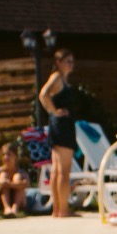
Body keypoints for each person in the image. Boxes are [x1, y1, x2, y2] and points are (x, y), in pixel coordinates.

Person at [39, 47, 80, 218]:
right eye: (67, 61)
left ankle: (57, 210)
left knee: (57, 170)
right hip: (62, 125)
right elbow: (43, 94)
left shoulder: (63, 79)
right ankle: (63, 209)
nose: (71, 64)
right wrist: (53, 111)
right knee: (64, 170)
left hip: (60, 124)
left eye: (72, 61)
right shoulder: (56, 77)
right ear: (58, 63)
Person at [0, 141, 29, 216]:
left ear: (15, 156)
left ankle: (15, 208)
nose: (6, 157)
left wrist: (8, 184)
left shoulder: (22, 172)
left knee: (17, 177)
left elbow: (25, 184)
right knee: (3, 175)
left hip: (19, 201)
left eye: (9, 154)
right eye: (3, 155)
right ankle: (7, 208)